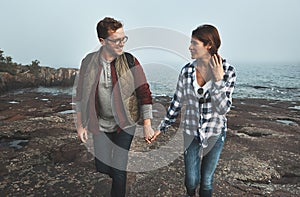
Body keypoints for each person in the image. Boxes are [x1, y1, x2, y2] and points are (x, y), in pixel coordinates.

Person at [152, 24, 236, 197]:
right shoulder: (187, 71)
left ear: (208, 45)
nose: (190, 47)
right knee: (191, 180)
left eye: (194, 43)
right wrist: (161, 128)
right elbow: (177, 101)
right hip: (190, 132)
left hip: (215, 133)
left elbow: (223, 109)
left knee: (206, 181)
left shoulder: (228, 71)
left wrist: (218, 80)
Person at [74, 17, 154, 197]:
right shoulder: (88, 62)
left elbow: (144, 92)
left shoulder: (130, 61)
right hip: (99, 124)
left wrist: (147, 124)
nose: (121, 44)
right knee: (102, 168)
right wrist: (80, 125)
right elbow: (79, 95)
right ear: (102, 41)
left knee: (118, 167)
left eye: (123, 39)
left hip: (125, 124)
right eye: (116, 40)